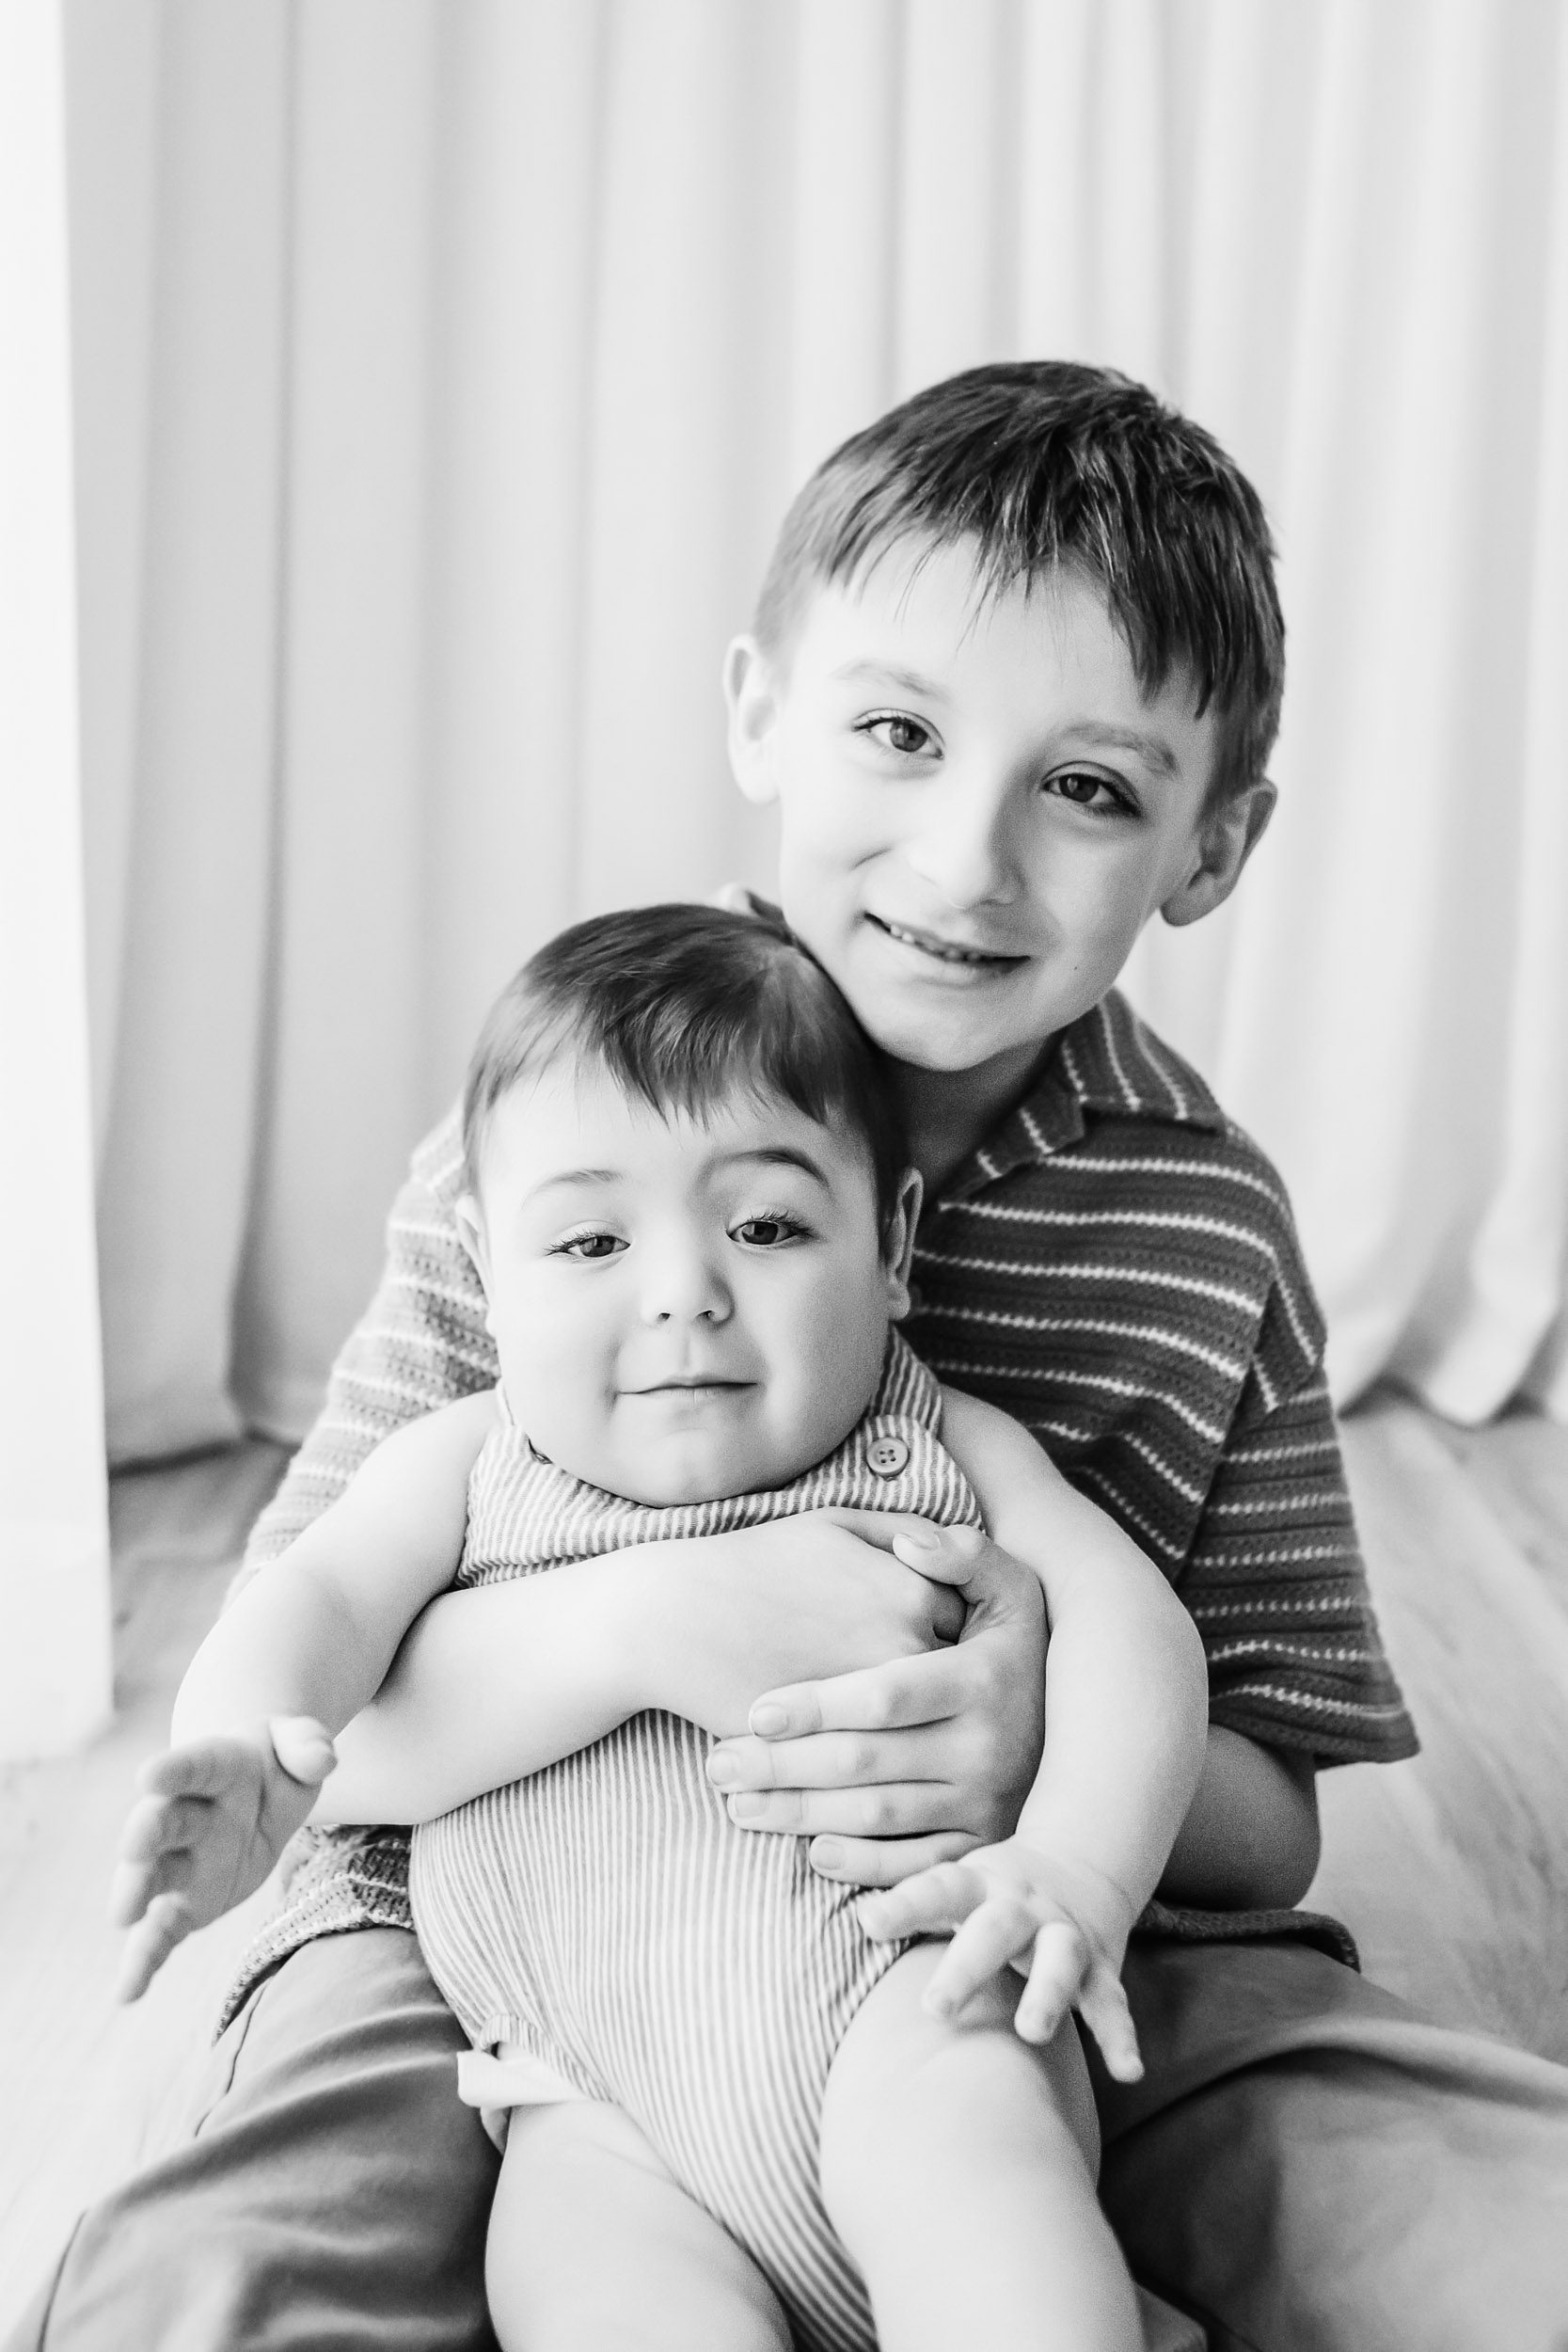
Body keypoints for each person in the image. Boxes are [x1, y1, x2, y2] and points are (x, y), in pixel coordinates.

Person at [15, 361, 1568, 2351]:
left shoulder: (1199, 1227)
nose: (963, 856)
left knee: (1495, 2240)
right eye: (899, 732)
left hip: (1011, 1938)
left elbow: (1267, 1811)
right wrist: (654, 1620)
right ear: (761, 704)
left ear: (1213, 839)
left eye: (1087, 784)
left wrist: (1036, 1753)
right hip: (493, 1938)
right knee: (199, 2292)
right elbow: (335, 1716)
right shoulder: (549, 1154)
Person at [111, 903, 1212, 2352]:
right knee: (601, 2300)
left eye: (764, 1225)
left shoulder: (944, 1445)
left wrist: (1077, 1864)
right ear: (486, 1266)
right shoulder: (460, 1462)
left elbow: (1140, 1638)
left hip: (906, 2005)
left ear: (891, 1244)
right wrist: (250, 1739)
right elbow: (311, 1602)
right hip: (589, 2103)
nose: (684, 1292)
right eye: (587, 1239)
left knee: (988, 2224)